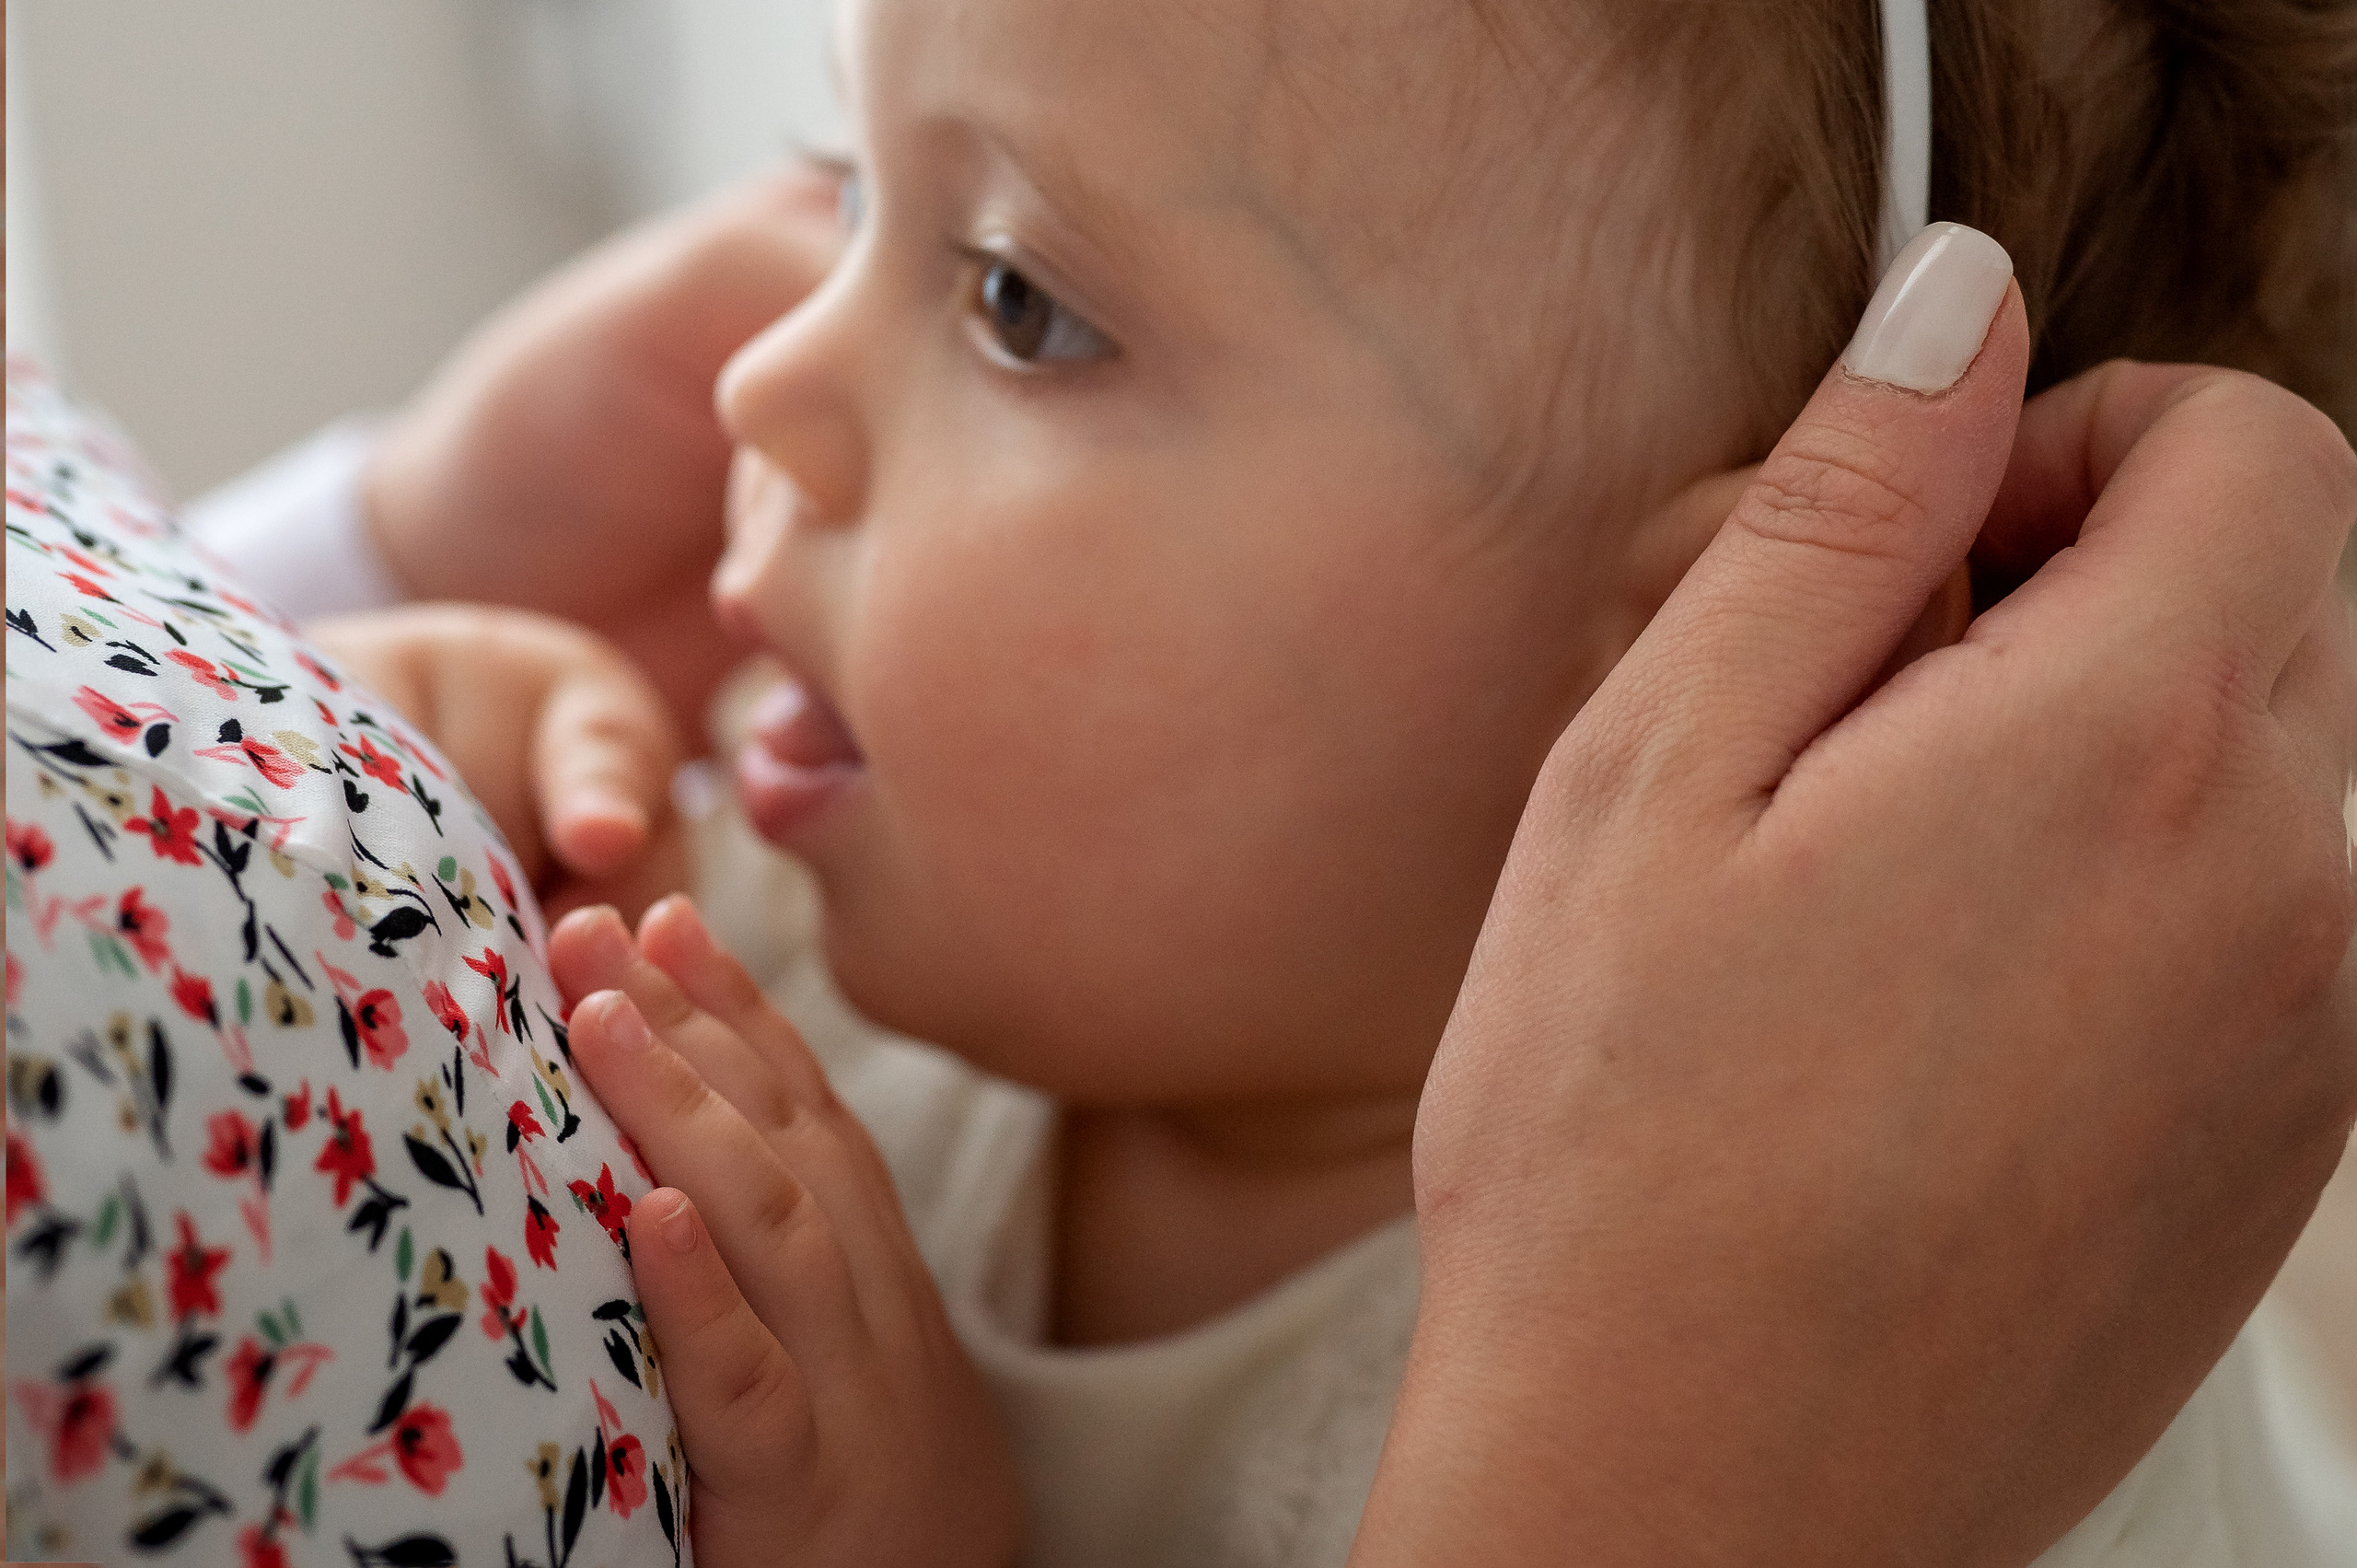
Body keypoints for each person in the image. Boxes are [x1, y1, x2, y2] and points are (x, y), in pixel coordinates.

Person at [180, 0, 2357, 1562]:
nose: (760, 378)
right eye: (845, 183)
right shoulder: (794, 909)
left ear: (1732, 646)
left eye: (1020, 303)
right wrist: (365, 746)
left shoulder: (1917, 1400)